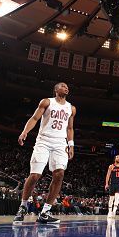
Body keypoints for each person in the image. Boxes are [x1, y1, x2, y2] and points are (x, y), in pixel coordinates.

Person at [13, 82, 76, 224]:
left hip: (60, 143)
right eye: (62, 86)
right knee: (35, 175)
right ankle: (23, 206)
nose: (66, 88)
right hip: (44, 140)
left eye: (67, 87)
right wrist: (25, 132)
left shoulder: (71, 108)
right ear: (55, 90)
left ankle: (45, 212)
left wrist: (71, 144)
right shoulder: (47, 102)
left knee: (59, 174)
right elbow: (35, 118)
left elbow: (70, 128)